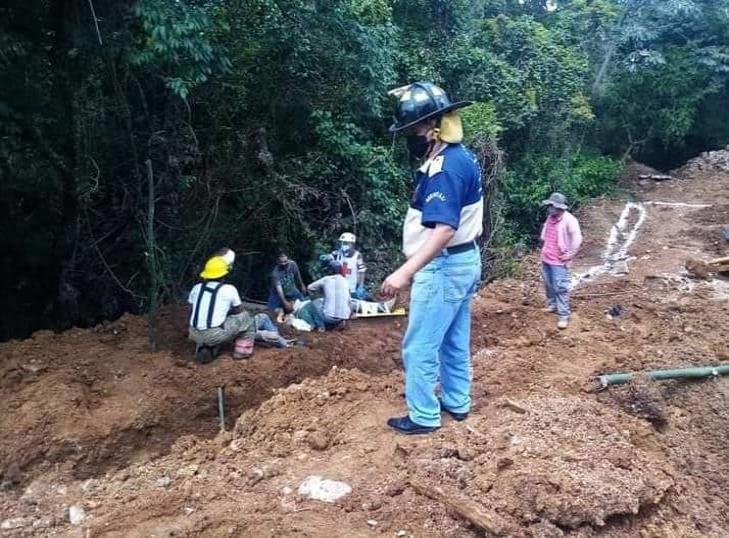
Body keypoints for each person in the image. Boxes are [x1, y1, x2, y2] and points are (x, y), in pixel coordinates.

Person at [380, 81, 483, 435]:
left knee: (420, 344)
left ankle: (423, 415)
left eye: (413, 129)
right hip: (463, 262)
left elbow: (444, 229)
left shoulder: (445, 169)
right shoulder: (460, 158)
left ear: (432, 129)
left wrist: (404, 273)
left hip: (444, 265)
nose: (410, 136)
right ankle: (456, 401)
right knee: (454, 338)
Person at [188, 256, 256, 363]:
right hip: (214, 334)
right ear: (224, 275)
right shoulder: (229, 289)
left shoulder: (196, 288)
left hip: (193, 333)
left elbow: (193, 309)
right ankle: (241, 353)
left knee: (212, 325)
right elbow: (239, 311)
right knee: (247, 319)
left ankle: (204, 349)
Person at [540, 192, 582, 330]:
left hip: (559, 260)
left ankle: (564, 314)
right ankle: (552, 305)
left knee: (560, 287)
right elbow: (545, 234)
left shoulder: (569, 220)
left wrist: (571, 253)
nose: (549, 208)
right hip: (547, 256)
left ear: (559, 207)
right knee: (548, 283)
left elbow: (577, 238)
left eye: (552, 206)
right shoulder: (551, 218)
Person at [308, 255, 352, 330]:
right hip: (343, 317)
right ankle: (342, 322)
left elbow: (309, 287)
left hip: (327, 317)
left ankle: (321, 326)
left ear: (330, 270)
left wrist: (315, 297)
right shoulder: (346, 281)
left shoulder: (326, 279)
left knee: (312, 304)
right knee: (350, 304)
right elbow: (349, 301)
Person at [267, 252, 306, 322]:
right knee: (273, 312)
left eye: (285, 261)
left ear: (288, 260)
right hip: (277, 295)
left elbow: (297, 275)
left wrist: (302, 285)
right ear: (277, 261)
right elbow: (279, 290)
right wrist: (285, 302)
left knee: (303, 304)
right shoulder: (275, 273)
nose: (283, 264)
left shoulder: (293, 264)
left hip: (291, 289)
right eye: (281, 262)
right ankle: (282, 311)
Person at [332, 232, 368, 299]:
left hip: (352, 287)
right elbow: (331, 256)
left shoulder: (358, 255)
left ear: (352, 244)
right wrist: (327, 257)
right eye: (342, 243)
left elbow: (362, 271)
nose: (343, 245)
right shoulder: (338, 252)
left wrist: (361, 286)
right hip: (339, 285)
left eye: (346, 243)